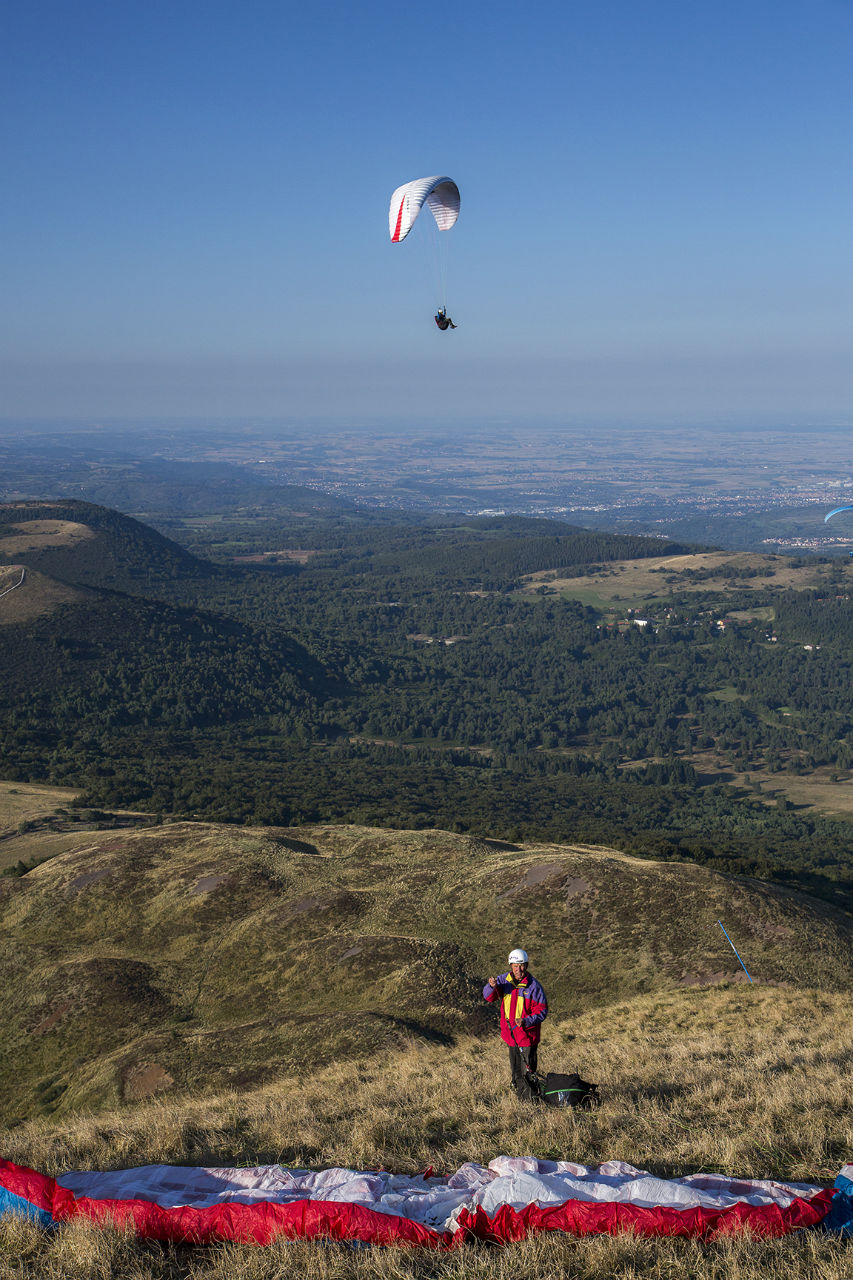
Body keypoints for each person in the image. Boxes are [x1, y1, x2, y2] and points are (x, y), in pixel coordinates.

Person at [483, 949, 547, 1097]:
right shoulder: (503, 980)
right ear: (511, 966)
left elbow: (542, 1011)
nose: (519, 969)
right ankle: (519, 1094)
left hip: (527, 1037)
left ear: (527, 965)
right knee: (516, 1070)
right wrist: (491, 987)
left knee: (528, 1072)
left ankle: (529, 1099)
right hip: (511, 1036)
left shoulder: (534, 986)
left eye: (522, 965)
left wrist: (526, 1021)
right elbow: (488, 997)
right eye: (515, 966)